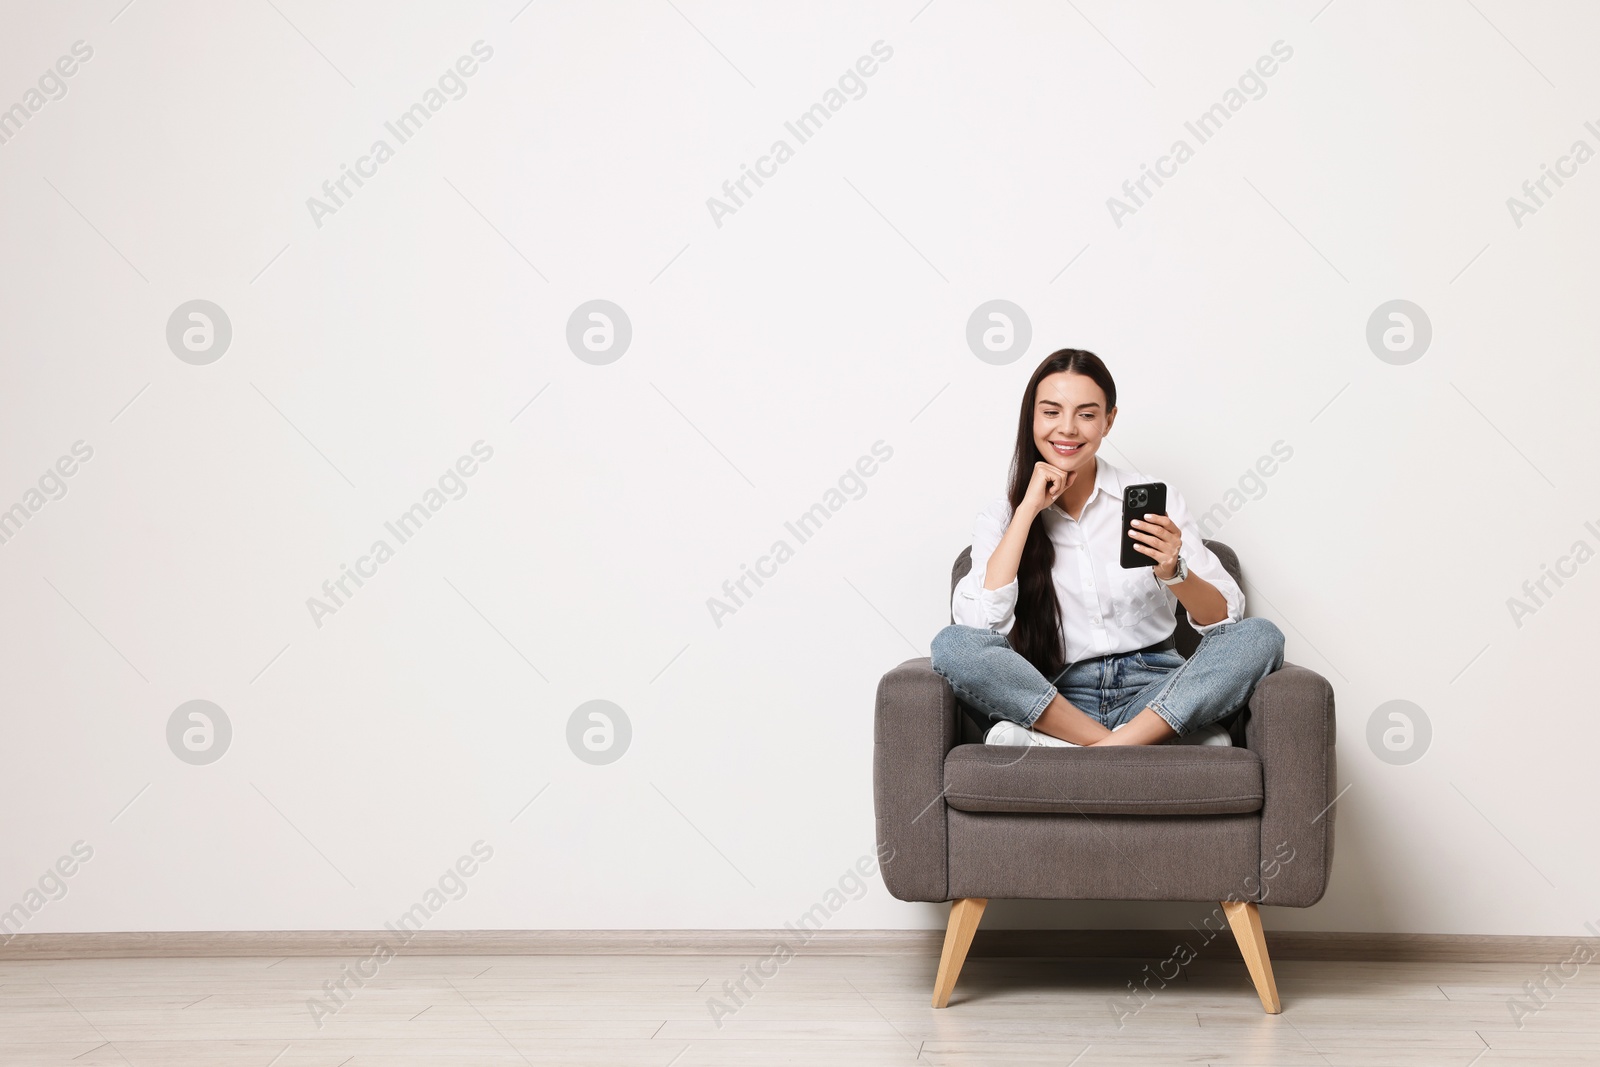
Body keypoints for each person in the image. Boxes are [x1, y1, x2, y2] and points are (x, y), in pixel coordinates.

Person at [930, 348, 1285, 748]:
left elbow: (1225, 620)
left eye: (1086, 414)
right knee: (952, 644)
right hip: (1059, 698)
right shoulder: (1002, 517)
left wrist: (1174, 572)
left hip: (1155, 691)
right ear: (1032, 417)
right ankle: (1132, 745)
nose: (1067, 429)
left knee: (1261, 636)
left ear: (1108, 421)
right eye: (1051, 412)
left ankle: (1096, 748)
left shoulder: (1154, 500)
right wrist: (1027, 510)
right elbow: (979, 627)